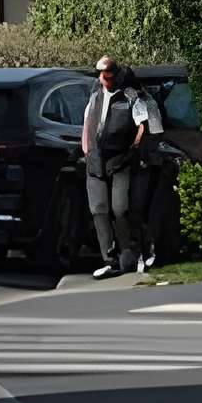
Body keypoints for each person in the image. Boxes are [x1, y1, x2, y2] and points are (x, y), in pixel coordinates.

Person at [79, 54, 161, 278]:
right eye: (101, 75)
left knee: (121, 209)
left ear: (116, 75)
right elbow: (87, 124)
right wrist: (86, 148)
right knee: (98, 210)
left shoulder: (129, 97)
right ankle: (110, 259)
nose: (104, 79)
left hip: (121, 160)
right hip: (96, 161)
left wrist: (133, 149)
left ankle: (131, 249)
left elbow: (143, 126)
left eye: (108, 75)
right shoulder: (95, 97)